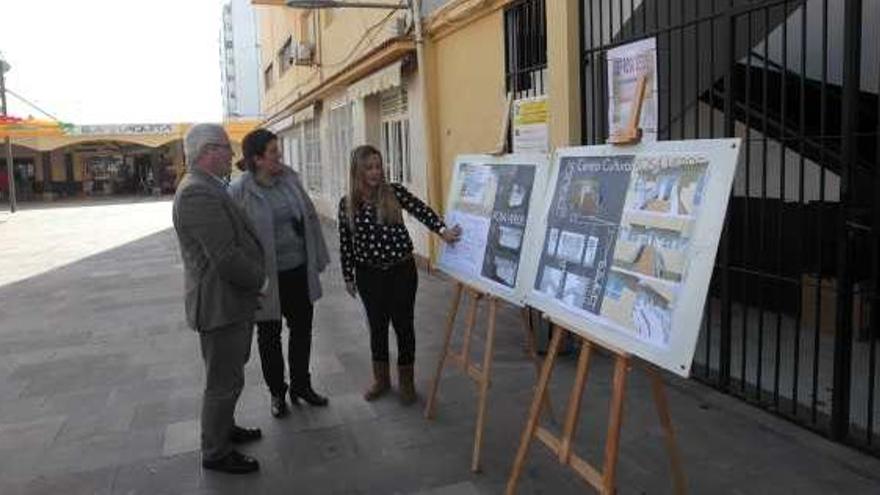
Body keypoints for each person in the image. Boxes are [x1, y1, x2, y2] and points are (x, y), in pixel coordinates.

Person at [172, 123, 266, 474]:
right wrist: (262, 280)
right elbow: (225, 257)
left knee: (231, 376)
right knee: (223, 381)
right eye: (229, 148)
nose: (233, 155)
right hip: (219, 304)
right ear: (210, 151)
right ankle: (215, 451)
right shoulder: (197, 192)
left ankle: (224, 429)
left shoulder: (208, 185)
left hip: (228, 301)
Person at [338, 144, 461, 405]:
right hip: (369, 276)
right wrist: (348, 275)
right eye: (369, 167)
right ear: (357, 171)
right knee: (377, 327)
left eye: (378, 166)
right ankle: (381, 380)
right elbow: (345, 242)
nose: (375, 172)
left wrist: (443, 231)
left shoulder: (394, 192)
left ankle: (406, 382)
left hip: (401, 271)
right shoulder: (347, 203)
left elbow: (421, 210)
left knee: (404, 326)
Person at [230, 129, 331, 417]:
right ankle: (277, 393)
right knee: (269, 336)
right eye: (274, 151)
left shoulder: (289, 179)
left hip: (298, 270)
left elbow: (309, 218)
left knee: (302, 330)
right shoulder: (239, 192)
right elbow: (234, 237)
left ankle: (302, 384)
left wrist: (318, 257)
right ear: (257, 159)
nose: (280, 155)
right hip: (266, 279)